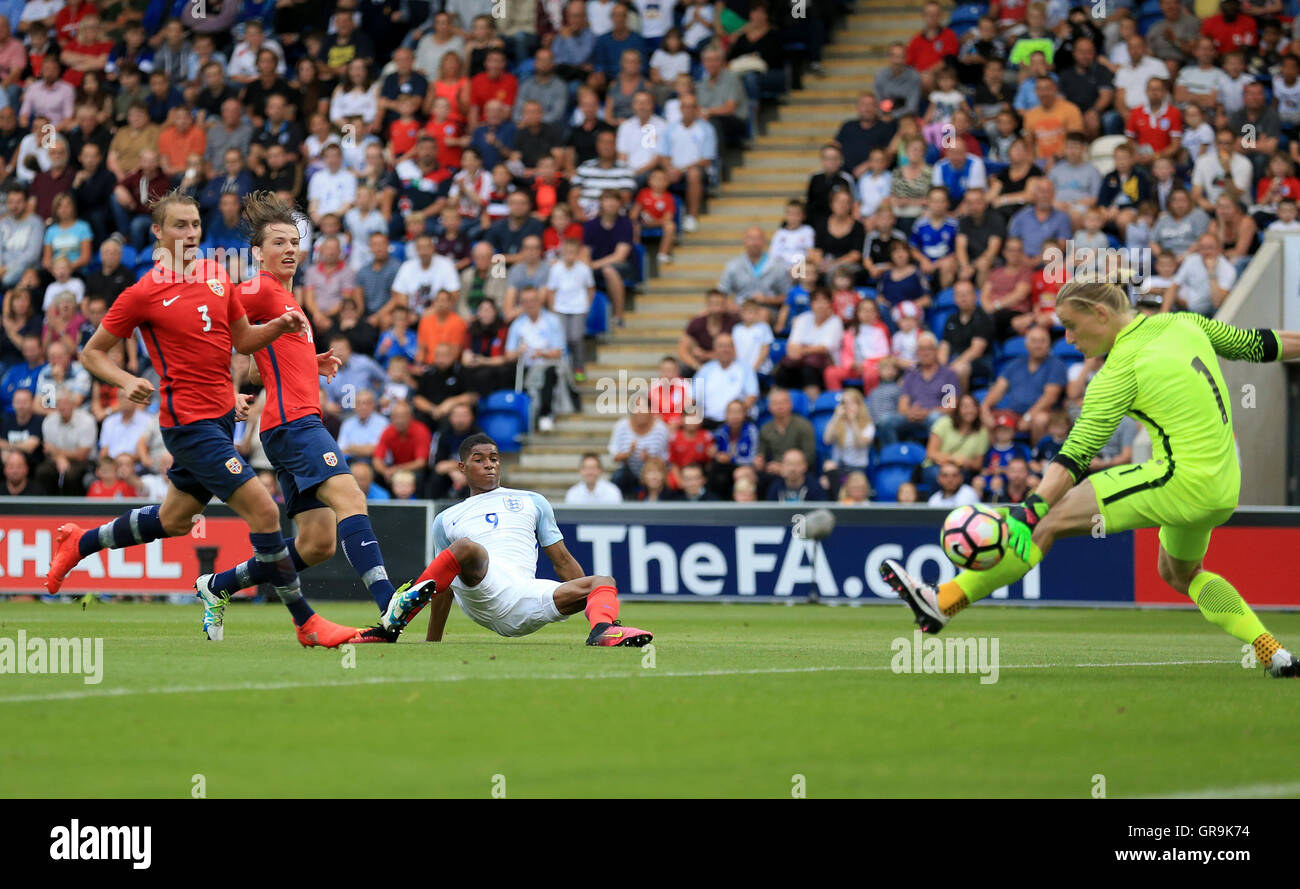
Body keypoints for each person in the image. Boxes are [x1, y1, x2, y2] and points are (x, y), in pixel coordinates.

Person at [883, 280, 1300, 678]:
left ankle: (942, 602)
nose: (1068, 338)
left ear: (1100, 314)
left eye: (1071, 325)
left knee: (1047, 523)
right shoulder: (1183, 322)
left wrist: (1029, 511)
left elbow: (1075, 455)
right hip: (1225, 484)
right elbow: (1258, 344)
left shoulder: (1118, 371)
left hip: (1181, 480)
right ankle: (1272, 651)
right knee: (1180, 574)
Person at [43, 191, 359, 648]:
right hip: (186, 424)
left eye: (194, 225)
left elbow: (244, 340)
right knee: (265, 511)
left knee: (173, 520)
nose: (190, 234)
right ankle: (307, 623)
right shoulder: (143, 293)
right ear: (158, 232)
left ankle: (80, 544)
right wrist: (126, 379)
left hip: (219, 421)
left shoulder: (215, 276)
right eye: (179, 226)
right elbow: (92, 353)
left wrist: (283, 330)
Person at [193, 193, 405, 643]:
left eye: (294, 241)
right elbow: (214, 319)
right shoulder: (261, 288)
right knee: (351, 498)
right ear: (258, 252)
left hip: (283, 427)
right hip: (295, 425)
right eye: (278, 242)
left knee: (317, 544)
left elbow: (254, 364)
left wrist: (309, 360)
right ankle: (390, 604)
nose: (290, 249)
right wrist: (224, 391)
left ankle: (218, 585)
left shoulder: (285, 299)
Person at [380, 432, 654, 648]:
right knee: (466, 548)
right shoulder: (447, 518)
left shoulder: (532, 501)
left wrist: (585, 599)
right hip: (483, 594)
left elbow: (562, 560)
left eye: (494, 458)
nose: (489, 464)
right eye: (479, 459)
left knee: (603, 583)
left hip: (524, 596)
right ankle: (401, 612)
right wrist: (433, 641)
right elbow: (443, 586)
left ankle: (603, 631)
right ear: (462, 467)